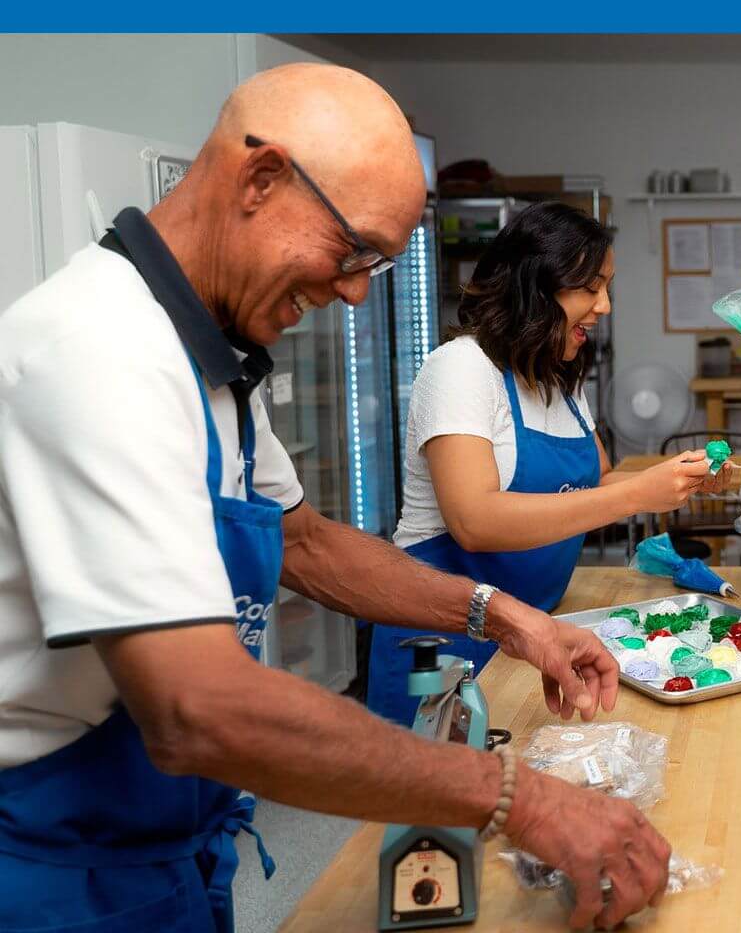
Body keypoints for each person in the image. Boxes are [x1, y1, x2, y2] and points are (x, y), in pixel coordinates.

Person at [0, 65, 668, 933]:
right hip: (54, 870)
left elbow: (308, 544)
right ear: (261, 178)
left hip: (167, 841)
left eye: (377, 265)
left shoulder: (208, 361)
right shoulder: (99, 352)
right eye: (353, 251)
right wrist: (520, 796)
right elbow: (197, 707)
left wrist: (504, 617)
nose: (354, 291)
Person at [367, 201, 718, 724]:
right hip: (441, 642)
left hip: (531, 634)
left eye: (607, 288)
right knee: (432, 770)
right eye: (590, 288)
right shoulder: (461, 369)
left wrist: (675, 479)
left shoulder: (557, 378)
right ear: (534, 287)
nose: (604, 307)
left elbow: (598, 481)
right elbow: (474, 521)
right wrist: (636, 494)